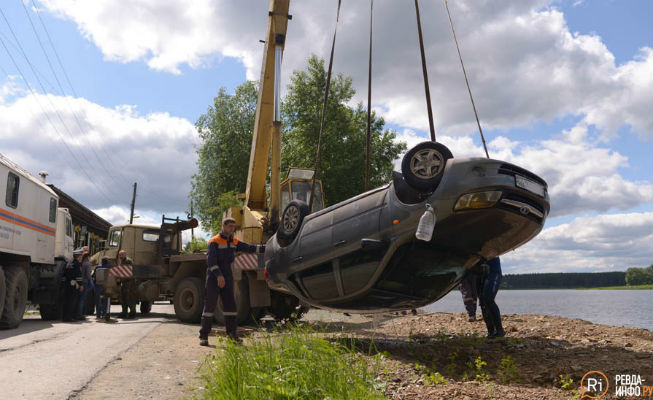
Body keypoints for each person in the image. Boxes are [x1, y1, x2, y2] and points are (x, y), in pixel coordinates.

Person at [199, 218, 265, 346]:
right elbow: (211, 262)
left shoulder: (233, 241)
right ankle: (204, 336)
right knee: (209, 307)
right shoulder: (214, 241)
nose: (232, 229)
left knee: (231, 307)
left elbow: (249, 248)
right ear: (223, 226)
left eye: (233, 227)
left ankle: (232, 335)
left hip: (227, 276)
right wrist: (219, 276)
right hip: (214, 277)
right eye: (230, 226)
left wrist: (266, 247)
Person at [477, 257, 505, 338]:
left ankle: (499, 330)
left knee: (488, 298)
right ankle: (491, 331)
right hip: (479, 274)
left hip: (493, 272)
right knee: (483, 303)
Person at [62, 248, 84, 322]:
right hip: (73, 284)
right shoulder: (77, 264)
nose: (81, 258)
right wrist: (81, 285)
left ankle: (64, 317)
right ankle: (69, 317)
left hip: (67, 284)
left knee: (66, 301)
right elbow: (78, 275)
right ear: (78, 256)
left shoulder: (69, 262)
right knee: (72, 302)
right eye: (81, 256)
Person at [117, 250, 137, 319]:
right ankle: (124, 313)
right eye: (120, 255)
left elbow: (128, 272)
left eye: (122, 254)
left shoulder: (128, 261)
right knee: (123, 298)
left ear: (125, 254)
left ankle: (132, 313)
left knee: (130, 298)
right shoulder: (122, 261)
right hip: (124, 282)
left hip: (129, 283)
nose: (121, 256)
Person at [75, 252, 93, 320]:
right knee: (82, 299)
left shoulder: (80, 263)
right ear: (88, 257)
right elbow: (88, 274)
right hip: (85, 282)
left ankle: (76, 313)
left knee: (78, 299)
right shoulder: (88, 263)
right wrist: (91, 281)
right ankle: (80, 315)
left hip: (79, 282)